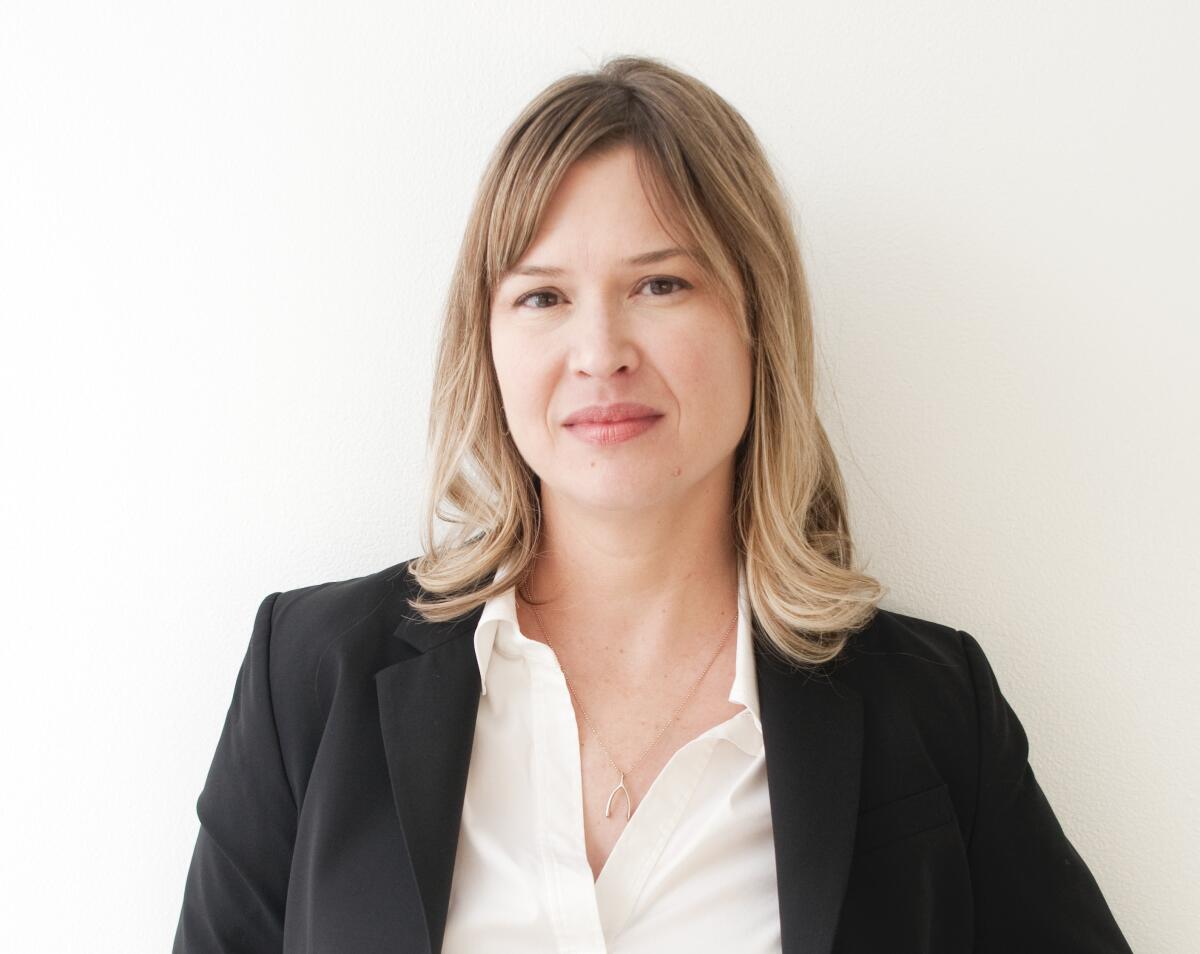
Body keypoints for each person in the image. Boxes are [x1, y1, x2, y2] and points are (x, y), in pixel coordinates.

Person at [172, 54, 1133, 954]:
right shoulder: (307, 675)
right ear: (490, 342)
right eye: (543, 297)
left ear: (757, 317)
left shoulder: (930, 706)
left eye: (661, 283)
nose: (600, 351)